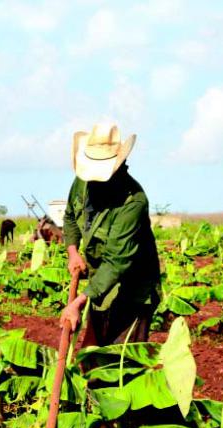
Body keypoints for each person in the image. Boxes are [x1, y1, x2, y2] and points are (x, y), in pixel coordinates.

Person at [60, 123, 160, 346]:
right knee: (92, 355)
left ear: (120, 165)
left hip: (132, 290)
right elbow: (69, 217)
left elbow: (116, 263)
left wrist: (77, 302)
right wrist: (73, 252)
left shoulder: (132, 202)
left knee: (120, 363)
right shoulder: (82, 181)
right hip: (100, 285)